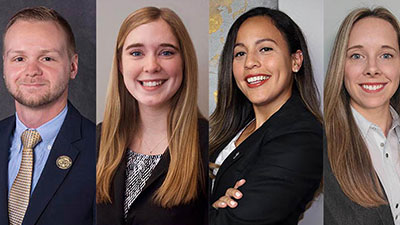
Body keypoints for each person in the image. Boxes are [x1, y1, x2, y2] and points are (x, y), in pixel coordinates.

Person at [209, 7, 322, 225]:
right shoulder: (236, 126)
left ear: (295, 60)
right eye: (240, 53)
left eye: (265, 49)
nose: (250, 62)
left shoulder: (303, 137)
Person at [96, 7, 208, 225]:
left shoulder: (209, 146)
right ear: (120, 64)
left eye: (166, 52)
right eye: (136, 53)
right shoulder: (96, 140)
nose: (151, 66)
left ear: (184, 61)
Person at [0, 6, 95, 225]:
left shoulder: (99, 147)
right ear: (5, 66)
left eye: (47, 58)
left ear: (73, 66)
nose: (32, 70)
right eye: (19, 59)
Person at [324, 7, 400, 225]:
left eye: (386, 55)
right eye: (357, 56)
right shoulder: (320, 146)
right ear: (341, 65)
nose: (372, 68)